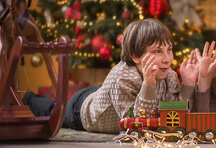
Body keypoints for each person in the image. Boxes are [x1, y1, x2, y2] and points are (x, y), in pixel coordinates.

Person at [23, 18, 199, 134]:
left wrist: (189, 84)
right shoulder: (121, 77)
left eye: (169, 50)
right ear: (136, 56)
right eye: (157, 51)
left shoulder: (168, 76)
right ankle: (28, 99)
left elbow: (175, 118)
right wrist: (149, 85)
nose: (168, 59)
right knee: (54, 112)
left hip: (108, 94)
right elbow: (136, 125)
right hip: (83, 110)